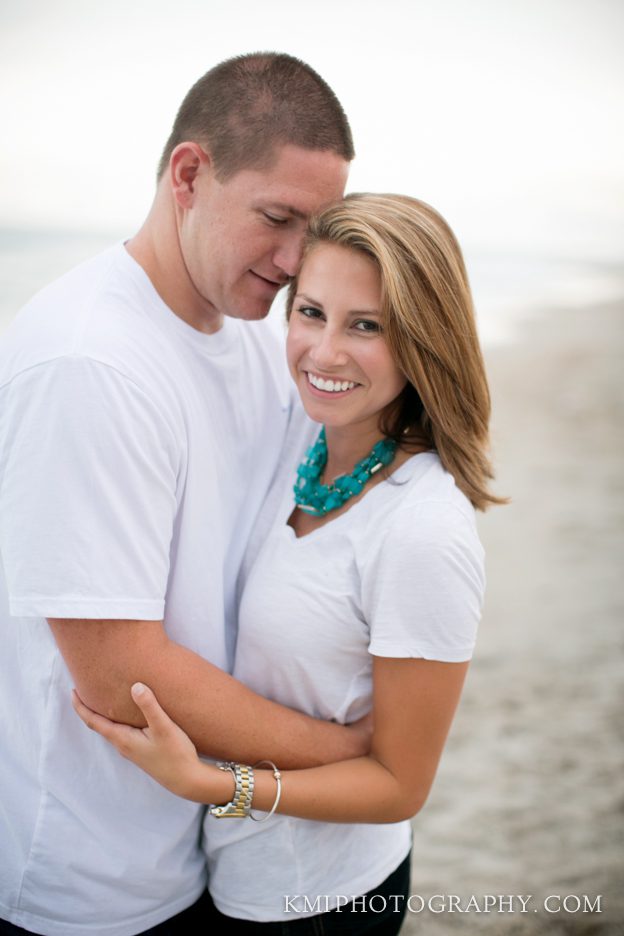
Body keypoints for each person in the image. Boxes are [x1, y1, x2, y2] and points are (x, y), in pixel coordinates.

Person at [0, 52, 369, 936]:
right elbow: (117, 670)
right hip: (88, 875)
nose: (291, 263)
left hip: (200, 843)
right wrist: (356, 755)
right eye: (275, 218)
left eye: (312, 232)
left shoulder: (251, 333)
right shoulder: (89, 363)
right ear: (190, 174)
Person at [73, 192, 505, 934]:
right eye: (310, 312)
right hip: (227, 874)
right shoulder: (300, 449)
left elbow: (400, 785)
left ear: (423, 341)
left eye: (365, 326)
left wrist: (212, 783)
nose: (324, 351)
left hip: (323, 899)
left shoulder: (423, 528)